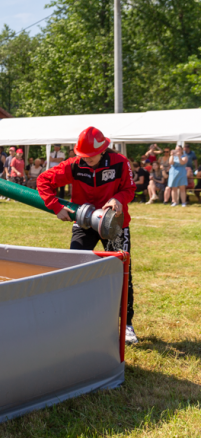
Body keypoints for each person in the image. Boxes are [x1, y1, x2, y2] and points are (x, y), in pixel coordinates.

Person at [37, 126, 138, 344]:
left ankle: (126, 324)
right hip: (84, 223)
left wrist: (118, 199)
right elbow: (43, 181)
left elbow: (130, 188)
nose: (86, 160)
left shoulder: (120, 162)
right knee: (74, 266)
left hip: (114, 224)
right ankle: (73, 318)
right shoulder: (74, 165)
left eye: (90, 156)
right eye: (83, 155)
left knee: (121, 270)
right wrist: (55, 206)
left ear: (103, 150)